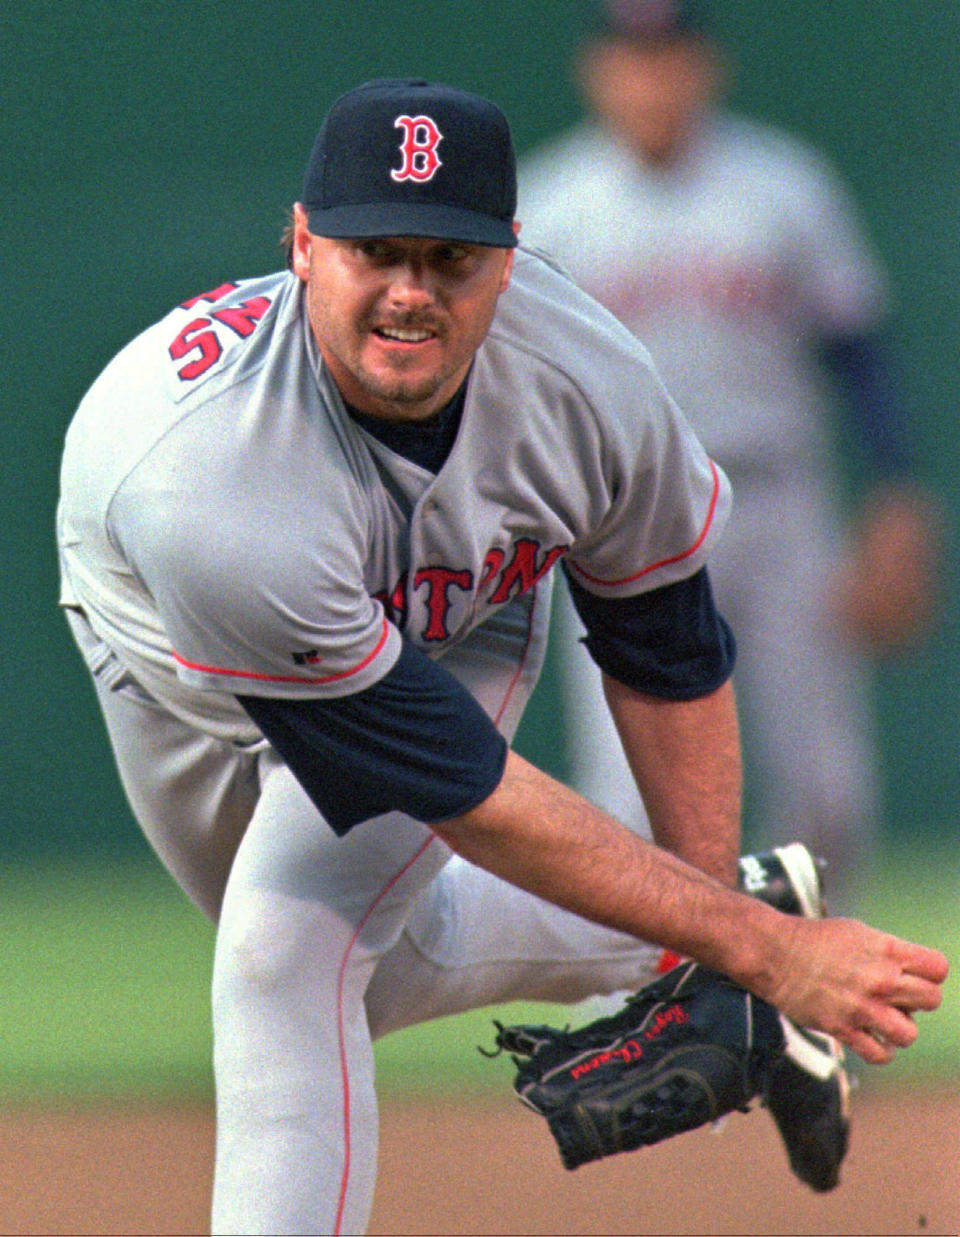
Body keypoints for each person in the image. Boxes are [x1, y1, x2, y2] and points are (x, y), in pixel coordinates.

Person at [56, 78, 946, 1236]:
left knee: (288, 961)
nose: (411, 292)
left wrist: (722, 955)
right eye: (375, 250)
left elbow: (664, 650)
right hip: (180, 674)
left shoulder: (589, 379)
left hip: (461, 614)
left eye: (452, 257)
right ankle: (754, 898)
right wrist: (757, 942)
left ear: (511, 259)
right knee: (378, 970)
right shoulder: (212, 474)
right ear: (301, 245)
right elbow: (459, 790)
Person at [518, 0, 941, 904]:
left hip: (776, 503)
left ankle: (814, 1015)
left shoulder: (785, 185)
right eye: (632, 57)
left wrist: (899, 495)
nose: (651, 77)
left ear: (706, 66)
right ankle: (654, 1019)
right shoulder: (550, 205)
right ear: (596, 71)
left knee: (826, 788)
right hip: (621, 522)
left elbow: (857, 351)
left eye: (669, 55)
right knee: (628, 804)